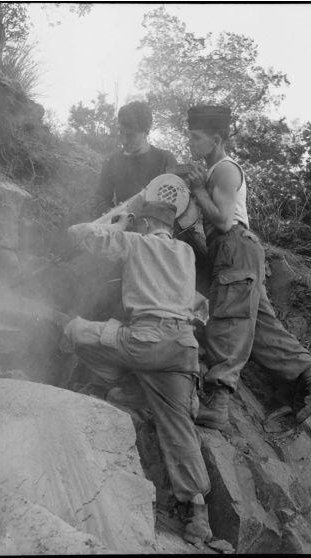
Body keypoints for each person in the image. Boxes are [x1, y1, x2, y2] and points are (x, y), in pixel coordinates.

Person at [185, 105, 311, 431]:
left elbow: (224, 220)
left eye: (196, 138)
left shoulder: (225, 170)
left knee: (228, 320)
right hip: (236, 250)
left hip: (234, 245)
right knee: (259, 328)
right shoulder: (215, 169)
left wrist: (199, 191)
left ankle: (218, 402)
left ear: (215, 138)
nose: (191, 143)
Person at [64, 201, 213, 545]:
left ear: (144, 223)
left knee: (77, 331)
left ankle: (120, 385)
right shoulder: (186, 253)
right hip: (182, 347)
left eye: (137, 223)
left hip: (144, 341)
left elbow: (80, 234)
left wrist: (119, 224)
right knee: (179, 427)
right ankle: (198, 514)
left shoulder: (137, 242)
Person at [93, 101, 178, 219]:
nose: (124, 141)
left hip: (157, 231)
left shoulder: (165, 159)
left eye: (130, 136)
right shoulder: (112, 161)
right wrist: (114, 216)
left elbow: (175, 202)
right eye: (121, 133)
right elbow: (101, 198)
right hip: (122, 229)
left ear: (146, 132)